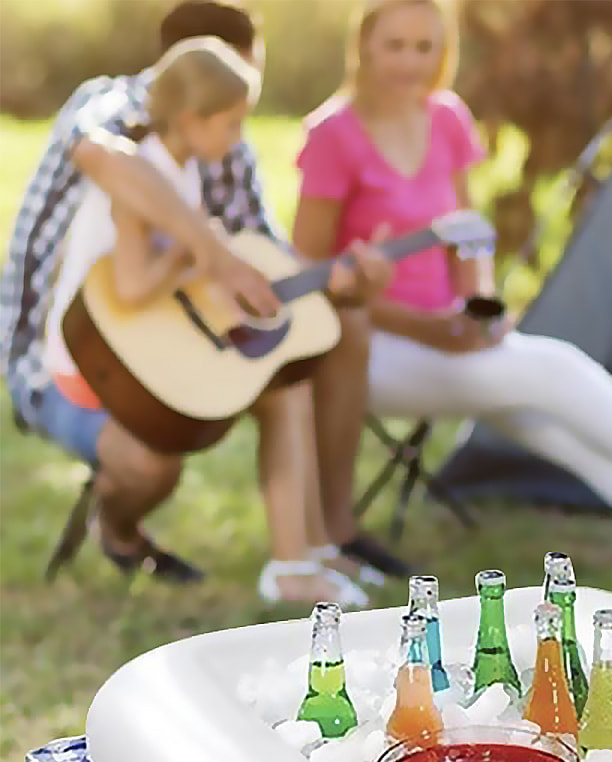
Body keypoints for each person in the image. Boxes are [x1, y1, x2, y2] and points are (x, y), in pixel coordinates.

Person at [291, 0, 612, 577]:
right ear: (364, 48)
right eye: (395, 46)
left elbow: (467, 238)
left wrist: (481, 311)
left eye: (424, 47)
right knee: (553, 371)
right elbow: (309, 275)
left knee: (559, 431)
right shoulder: (333, 134)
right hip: (367, 352)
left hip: (454, 341)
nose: (410, 62)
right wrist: (426, 327)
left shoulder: (445, 119)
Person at [0, 0, 401, 602]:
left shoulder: (195, 158)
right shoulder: (129, 140)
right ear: (195, 93)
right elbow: (134, 276)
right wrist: (203, 253)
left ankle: (304, 556)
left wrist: (333, 280)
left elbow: (260, 256)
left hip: (160, 341)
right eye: (236, 115)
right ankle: (125, 532)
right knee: (152, 461)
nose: (243, 136)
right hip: (80, 362)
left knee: (293, 377)